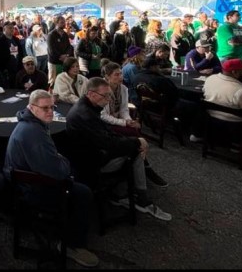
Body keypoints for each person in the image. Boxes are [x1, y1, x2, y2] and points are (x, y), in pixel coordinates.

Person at [3, 89, 99, 267]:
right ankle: (71, 245)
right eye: (45, 108)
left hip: (28, 182)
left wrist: (59, 160)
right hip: (30, 191)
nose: (50, 111)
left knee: (76, 175)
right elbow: (58, 172)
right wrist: (62, 162)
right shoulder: (33, 133)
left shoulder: (32, 124)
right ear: (32, 108)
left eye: (52, 107)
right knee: (83, 192)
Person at [66, 77, 172, 221]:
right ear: (91, 94)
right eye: (106, 95)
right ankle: (140, 199)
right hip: (91, 164)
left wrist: (135, 141)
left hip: (92, 153)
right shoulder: (85, 114)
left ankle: (122, 193)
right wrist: (137, 142)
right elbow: (108, 143)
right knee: (135, 151)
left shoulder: (87, 106)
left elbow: (106, 133)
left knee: (133, 146)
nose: (109, 99)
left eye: (110, 95)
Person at [100, 60, 168, 187]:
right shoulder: (103, 90)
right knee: (134, 134)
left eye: (120, 74)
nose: (121, 77)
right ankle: (145, 167)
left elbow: (124, 109)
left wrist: (128, 120)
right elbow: (103, 116)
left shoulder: (123, 89)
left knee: (134, 129)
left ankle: (140, 164)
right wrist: (124, 123)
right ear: (107, 77)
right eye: (116, 75)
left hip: (118, 121)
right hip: (105, 124)